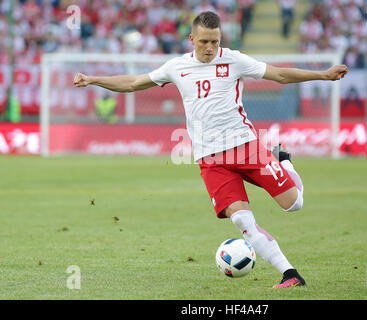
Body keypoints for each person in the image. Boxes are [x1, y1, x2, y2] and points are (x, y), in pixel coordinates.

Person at [73, 11, 348, 288]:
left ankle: (284, 162)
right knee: (242, 220)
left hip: (246, 148)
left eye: (215, 42)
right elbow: (133, 83)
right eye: (204, 41)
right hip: (211, 159)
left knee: (294, 204)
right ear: (191, 39)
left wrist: (323, 75)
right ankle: (291, 274)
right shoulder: (176, 67)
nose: (209, 48)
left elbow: (279, 75)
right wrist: (94, 79)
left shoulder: (234, 60)